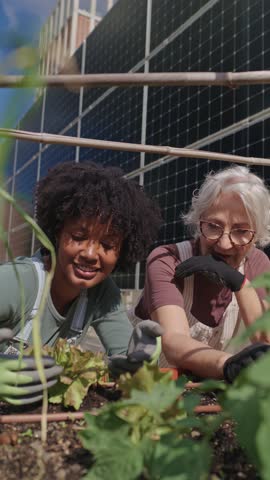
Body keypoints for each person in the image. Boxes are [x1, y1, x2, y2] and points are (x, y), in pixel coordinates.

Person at [0, 161, 163, 404]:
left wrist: (141, 357)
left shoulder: (103, 293)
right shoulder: (18, 282)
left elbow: (124, 355)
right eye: (78, 237)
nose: (90, 253)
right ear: (57, 234)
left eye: (107, 245)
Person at [135, 165, 270, 382]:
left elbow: (265, 341)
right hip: (155, 388)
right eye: (214, 226)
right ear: (199, 221)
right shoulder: (166, 259)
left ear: (257, 235)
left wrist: (241, 284)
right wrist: (229, 365)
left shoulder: (258, 263)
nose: (225, 244)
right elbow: (174, 342)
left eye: (241, 231)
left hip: (213, 392)